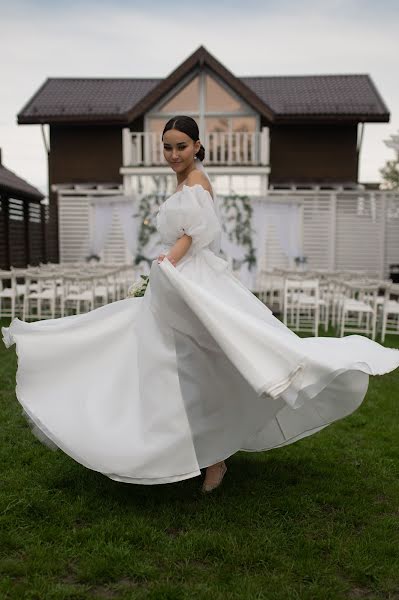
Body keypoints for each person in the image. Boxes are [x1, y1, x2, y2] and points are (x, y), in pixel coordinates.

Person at [2, 115, 399, 495]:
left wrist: (168, 261)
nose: (174, 154)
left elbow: (194, 234)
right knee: (172, 364)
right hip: (176, 279)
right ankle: (184, 447)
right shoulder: (184, 183)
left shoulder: (196, 183)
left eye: (181, 147)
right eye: (168, 147)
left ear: (197, 147)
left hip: (189, 277)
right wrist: (166, 266)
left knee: (201, 362)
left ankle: (212, 456)